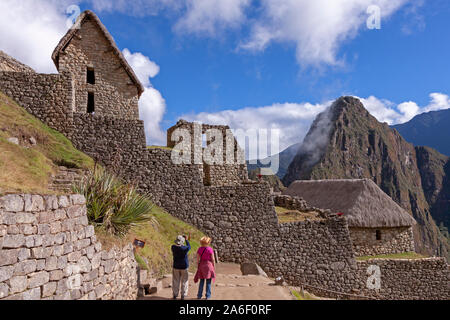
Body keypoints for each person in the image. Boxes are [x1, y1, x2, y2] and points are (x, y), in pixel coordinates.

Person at [171, 233, 191, 300]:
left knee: (176, 280)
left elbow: (177, 246)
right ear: (182, 242)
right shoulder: (185, 248)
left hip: (176, 266)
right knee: (184, 281)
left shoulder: (173, 247)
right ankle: (183, 295)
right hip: (184, 266)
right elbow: (189, 246)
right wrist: (187, 240)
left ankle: (175, 294)